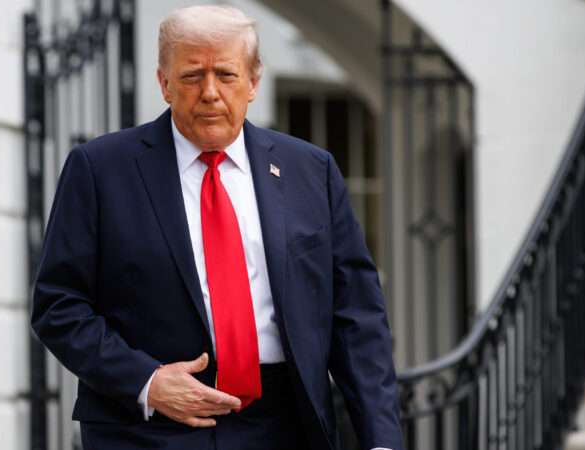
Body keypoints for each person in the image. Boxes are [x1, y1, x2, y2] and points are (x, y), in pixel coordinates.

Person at [31, 5, 403, 450]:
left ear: (253, 82)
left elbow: (356, 315)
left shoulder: (310, 170)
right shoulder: (100, 170)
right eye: (191, 76)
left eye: (225, 74)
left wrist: (381, 440)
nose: (209, 92)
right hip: (149, 430)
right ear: (164, 84)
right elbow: (59, 305)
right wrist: (146, 382)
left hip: (286, 425)